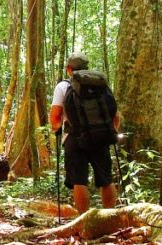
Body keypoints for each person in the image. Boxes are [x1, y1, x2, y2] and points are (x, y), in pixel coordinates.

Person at [49, 52, 120, 213]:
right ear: (87, 67)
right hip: (101, 136)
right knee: (106, 179)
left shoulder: (63, 86)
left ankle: (84, 221)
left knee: (78, 181)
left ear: (69, 69)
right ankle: (111, 217)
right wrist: (111, 132)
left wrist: (57, 129)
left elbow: (55, 117)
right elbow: (115, 115)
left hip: (74, 138)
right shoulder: (100, 84)